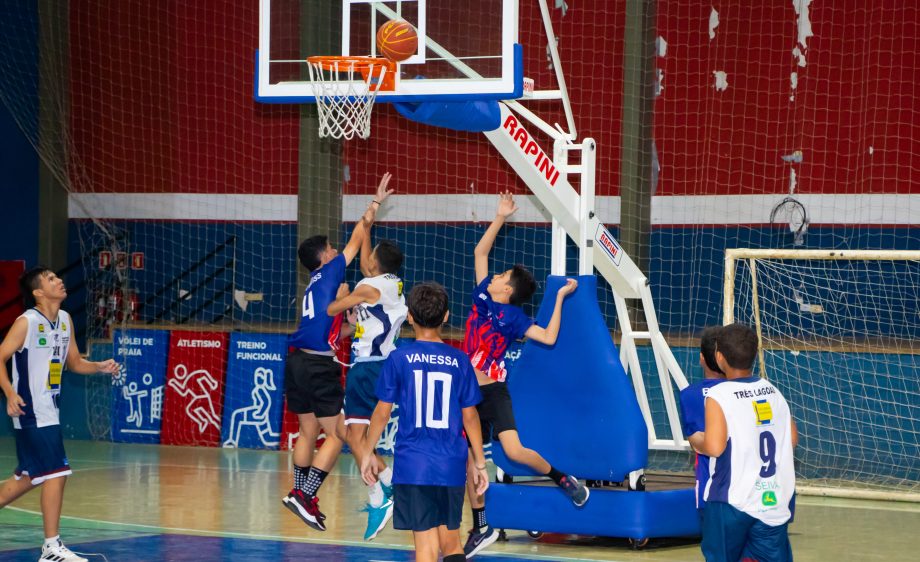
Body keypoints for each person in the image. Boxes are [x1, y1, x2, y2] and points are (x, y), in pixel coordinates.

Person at [462, 191, 586, 558]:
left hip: (495, 391)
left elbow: (547, 336)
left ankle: (561, 477)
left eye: (502, 275)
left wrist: (560, 298)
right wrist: (500, 216)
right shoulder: (483, 295)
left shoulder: (514, 317)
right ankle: (480, 525)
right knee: (470, 460)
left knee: (514, 450)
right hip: (467, 391)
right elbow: (479, 254)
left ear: (508, 289)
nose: (495, 275)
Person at [281, 172, 393, 531]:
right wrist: (375, 203)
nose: (335, 249)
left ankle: (297, 494)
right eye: (330, 247)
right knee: (342, 434)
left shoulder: (313, 288)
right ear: (323, 257)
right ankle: (305, 496)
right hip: (317, 366)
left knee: (307, 431)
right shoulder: (330, 270)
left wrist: (353, 324)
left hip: (297, 359)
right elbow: (359, 234)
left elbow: (331, 330)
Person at [359, 282, 488, 562]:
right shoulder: (460, 360)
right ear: (446, 316)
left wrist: (368, 451)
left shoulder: (398, 358)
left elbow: (382, 412)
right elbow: (470, 415)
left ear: (409, 316)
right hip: (450, 464)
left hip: (414, 464)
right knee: (451, 544)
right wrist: (479, 462)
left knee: (426, 550)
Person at [0, 266, 119, 562]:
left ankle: (52, 547)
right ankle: (51, 548)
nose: (60, 281)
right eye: (51, 279)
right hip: (31, 411)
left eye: (58, 276)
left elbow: (75, 363)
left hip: (49, 411)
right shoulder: (26, 322)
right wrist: (10, 393)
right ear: (38, 292)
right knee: (57, 473)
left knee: (29, 478)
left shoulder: (65, 320)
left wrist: (100, 366)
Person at [327, 227, 407, 540]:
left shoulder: (366, 286)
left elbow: (332, 309)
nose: (367, 259)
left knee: (354, 435)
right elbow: (365, 269)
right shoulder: (392, 283)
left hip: (368, 368)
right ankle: (391, 480)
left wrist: (336, 295)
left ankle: (379, 496)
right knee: (350, 434)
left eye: (370, 256)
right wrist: (367, 227)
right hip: (385, 364)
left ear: (376, 264)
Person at [693, 323, 798, 562]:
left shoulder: (719, 395)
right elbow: (791, 439)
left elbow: (715, 446)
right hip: (772, 498)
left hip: (732, 500)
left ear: (719, 357)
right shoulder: (772, 390)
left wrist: (697, 440)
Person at [679, 326, 726, 514]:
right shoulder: (743, 391)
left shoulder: (688, 395)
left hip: (709, 483)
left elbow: (697, 444)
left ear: (701, 358)